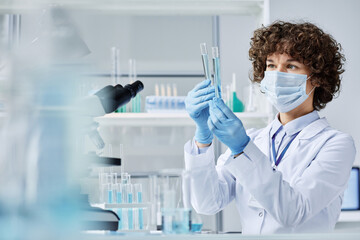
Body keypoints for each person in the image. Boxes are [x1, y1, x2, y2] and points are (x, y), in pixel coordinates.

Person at [184, 21, 356, 234]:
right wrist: (203, 138)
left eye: (291, 66)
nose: (277, 75)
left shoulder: (335, 144)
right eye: (271, 65)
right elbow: (207, 203)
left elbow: (294, 212)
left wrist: (242, 148)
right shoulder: (254, 139)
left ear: (318, 78)